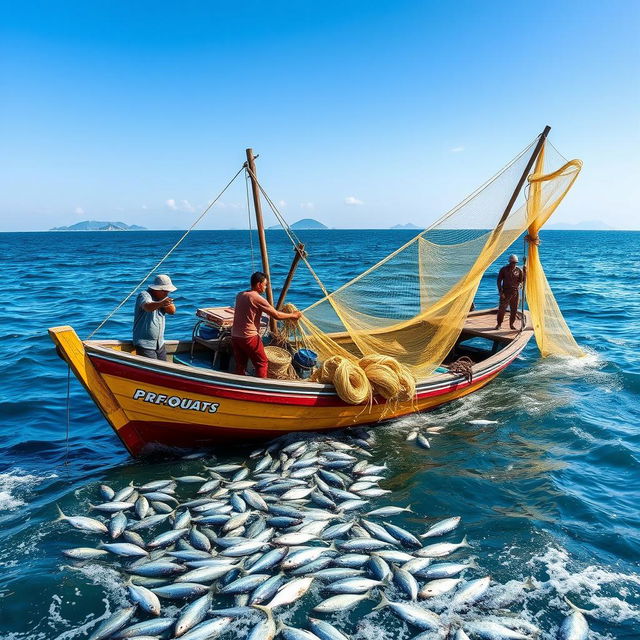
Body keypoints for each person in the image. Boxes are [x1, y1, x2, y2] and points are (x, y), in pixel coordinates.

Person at [232, 271, 302, 378]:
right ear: (259, 284)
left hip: (235, 336)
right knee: (262, 362)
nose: (265, 288)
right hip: (249, 337)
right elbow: (276, 315)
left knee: (241, 364)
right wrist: (293, 315)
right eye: (265, 285)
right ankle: (261, 388)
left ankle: (239, 385)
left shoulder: (240, 295)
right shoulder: (257, 298)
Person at [132, 274, 177, 360]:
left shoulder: (163, 298)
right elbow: (148, 307)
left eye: (168, 291)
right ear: (156, 289)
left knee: (164, 368)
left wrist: (165, 302)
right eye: (164, 291)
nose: (167, 293)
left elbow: (172, 311)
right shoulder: (144, 295)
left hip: (159, 343)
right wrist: (161, 303)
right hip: (145, 344)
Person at [496, 254, 524, 330]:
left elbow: (521, 280)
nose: (513, 264)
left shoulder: (519, 270)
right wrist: (501, 292)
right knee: (502, 309)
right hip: (505, 292)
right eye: (512, 262)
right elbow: (499, 280)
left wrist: (525, 271)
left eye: (514, 262)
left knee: (514, 310)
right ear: (509, 262)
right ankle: (499, 324)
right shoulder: (504, 269)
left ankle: (511, 324)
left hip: (515, 293)